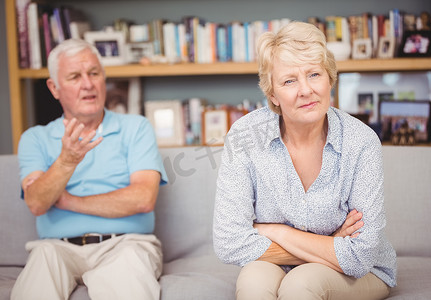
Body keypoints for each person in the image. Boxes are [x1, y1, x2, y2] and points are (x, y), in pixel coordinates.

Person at [213, 21, 396, 299]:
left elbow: (360, 255)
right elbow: (229, 242)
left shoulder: (361, 142)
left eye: (314, 74)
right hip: (280, 263)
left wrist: (278, 232)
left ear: (330, 78)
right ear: (272, 93)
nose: (306, 90)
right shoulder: (245, 136)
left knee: (301, 284)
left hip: (362, 272)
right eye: (289, 80)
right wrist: (331, 243)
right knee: (253, 282)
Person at [11, 39, 168, 300]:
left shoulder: (136, 128)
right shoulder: (35, 138)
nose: (88, 84)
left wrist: (65, 200)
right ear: (54, 88)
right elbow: (37, 203)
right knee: (39, 273)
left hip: (126, 243)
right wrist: (66, 161)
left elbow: (142, 199)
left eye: (94, 73)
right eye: (74, 76)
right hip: (55, 248)